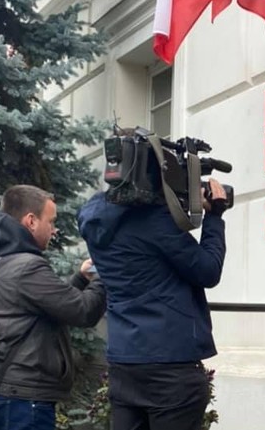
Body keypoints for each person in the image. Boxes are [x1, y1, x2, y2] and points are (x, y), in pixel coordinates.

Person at [77, 177, 228, 430]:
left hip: (124, 363)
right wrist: (214, 217)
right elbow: (208, 271)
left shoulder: (97, 221)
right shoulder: (154, 220)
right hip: (169, 366)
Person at [0, 185, 107, 430]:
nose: (54, 230)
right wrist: (105, 273)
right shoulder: (26, 266)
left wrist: (81, 278)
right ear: (31, 221)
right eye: (51, 221)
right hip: (23, 399)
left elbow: (45, 303)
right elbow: (84, 311)